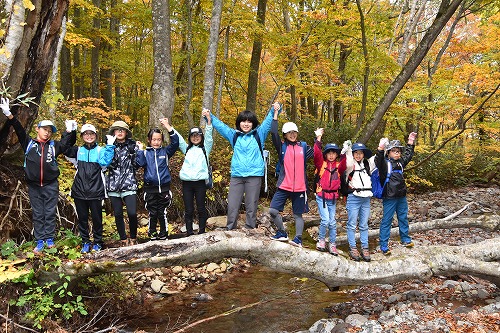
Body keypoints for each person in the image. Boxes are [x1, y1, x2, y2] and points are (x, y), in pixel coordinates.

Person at [1, 97, 77, 253]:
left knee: (49, 212)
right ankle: (40, 241)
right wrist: (9, 114)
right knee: (38, 213)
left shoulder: (54, 146)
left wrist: (71, 131)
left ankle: (49, 240)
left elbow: (67, 143)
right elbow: (19, 129)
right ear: (38, 129)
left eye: (50, 131)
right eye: (45, 129)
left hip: (50, 184)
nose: (47, 133)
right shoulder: (29, 143)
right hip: (34, 185)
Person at [209, 102, 281, 230]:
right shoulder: (234, 135)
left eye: (249, 121)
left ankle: (250, 229)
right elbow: (221, 127)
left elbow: (268, 121)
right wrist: (210, 117)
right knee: (232, 204)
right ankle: (230, 229)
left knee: (251, 205)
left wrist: (275, 109)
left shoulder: (259, 134)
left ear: (253, 123)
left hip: (254, 175)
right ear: (239, 123)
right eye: (243, 121)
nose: (246, 124)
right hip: (237, 175)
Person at [64, 124, 115, 253]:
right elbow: (65, 149)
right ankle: (85, 242)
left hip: (96, 190)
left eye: (91, 134)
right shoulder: (78, 150)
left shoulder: (100, 150)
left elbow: (105, 163)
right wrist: (70, 132)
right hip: (79, 191)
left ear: (96, 136)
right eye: (86, 134)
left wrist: (109, 146)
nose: (89, 136)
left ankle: (98, 242)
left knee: (97, 219)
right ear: (82, 136)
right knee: (82, 219)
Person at [269, 111, 313, 248]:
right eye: (289, 133)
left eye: (294, 132)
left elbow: (317, 154)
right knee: (273, 211)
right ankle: (282, 232)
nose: (292, 134)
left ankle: (298, 239)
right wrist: (275, 114)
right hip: (284, 185)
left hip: (300, 187)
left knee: (298, 215)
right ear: (285, 135)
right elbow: (273, 133)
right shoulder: (282, 147)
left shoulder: (304, 146)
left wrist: (318, 139)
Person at [136, 118, 179, 241]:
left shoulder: (165, 152)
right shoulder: (145, 153)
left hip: (164, 188)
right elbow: (139, 163)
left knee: (162, 212)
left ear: (162, 140)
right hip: (150, 190)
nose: (156, 142)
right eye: (154, 139)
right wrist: (139, 150)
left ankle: (164, 234)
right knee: (152, 213)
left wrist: (167, 126)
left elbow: (175, 142)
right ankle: (152, 233)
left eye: (159, 139)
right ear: (149, 140)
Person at [375, 132, 417, 255]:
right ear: (388, 152)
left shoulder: (400, 163)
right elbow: (378, 160)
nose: (397, 153)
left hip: (401, 196)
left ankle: (405, 239)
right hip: (389, 197)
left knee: (403, 218)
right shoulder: (384, 164)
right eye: (394, 151)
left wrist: (410, 142)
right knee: (387, 220)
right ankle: (383, 244)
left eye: (398, 151)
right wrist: (380, 148)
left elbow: (409, 155)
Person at [177, 109, 213, 236]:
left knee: (201, 208)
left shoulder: (205, 149)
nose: (195, 137)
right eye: (193, 136)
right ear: (190, 138)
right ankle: (189, 233)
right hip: (187, 183)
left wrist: (209, 121)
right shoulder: (186, 149)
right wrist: (168, 126)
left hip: (200, 183)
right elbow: (179, 139)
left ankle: (202, 232)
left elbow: (209, 138)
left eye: (198, 135)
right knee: (189, 210)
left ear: (201, 137)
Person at [106, 120, 139, 246]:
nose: (120, 132)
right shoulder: (109, 146)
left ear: (126, 132)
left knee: (132, 213)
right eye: (117, 130)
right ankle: (123, 239)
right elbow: (105, 163)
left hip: (129, 183)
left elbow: (137, 164)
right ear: (113, 132)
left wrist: (137, 151)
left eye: (122, 130)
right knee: (118, 214)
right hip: (113, 185)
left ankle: (133, 237)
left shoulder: (132, 146)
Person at [313, 128, 346, 255]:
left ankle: (332, 244)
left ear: (336, 155)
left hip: (332, 197)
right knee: (325, 220)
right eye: (329, 153)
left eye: (334, 153)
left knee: (332, 222)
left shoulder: (338, 167)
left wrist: (344, 152)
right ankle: (321, 240)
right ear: (325, 154)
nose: (331, 155)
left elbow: (344, 164)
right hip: (321, 195)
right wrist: (318, 139)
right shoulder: (321, 164)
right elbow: (316, 154)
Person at [343, 141, 375, 262]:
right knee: (351, 224)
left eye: (360, 153)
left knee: (364, 225)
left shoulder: (367, 164)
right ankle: (352, 248)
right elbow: (346, 161)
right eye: (356, 153)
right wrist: (348, 150)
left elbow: (377, 158)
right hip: (354, 197)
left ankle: (365, 248)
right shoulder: (350, 165)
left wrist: (382, 147)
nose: (358, 155)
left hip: (366, 197)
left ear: (363, 154)